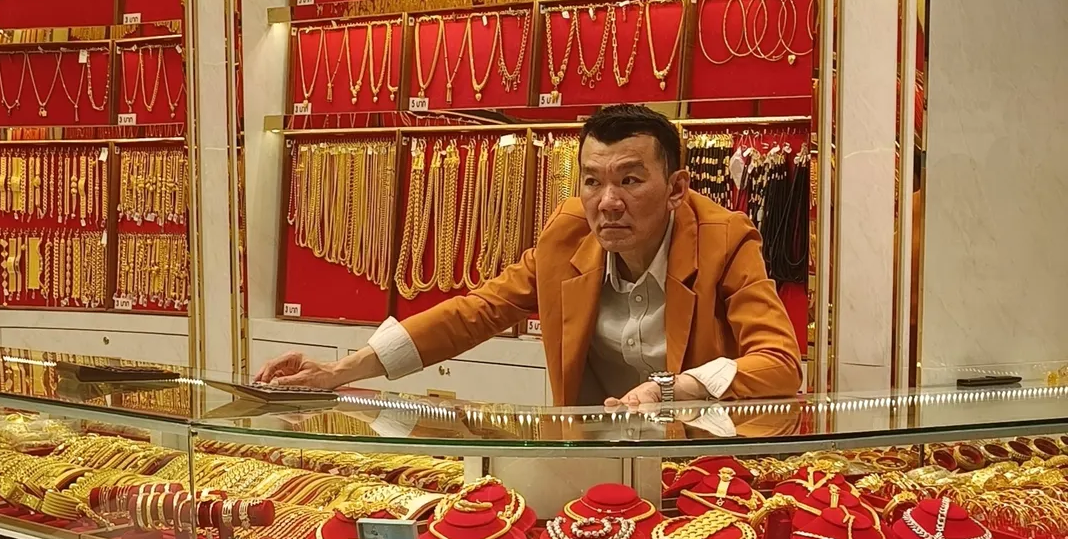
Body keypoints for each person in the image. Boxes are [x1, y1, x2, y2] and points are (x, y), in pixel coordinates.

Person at [256, 103, 803, 408]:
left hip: (708, 468)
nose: (607, 202)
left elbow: (780, 366)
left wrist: (674, 388)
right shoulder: (568, 235)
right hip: (597, 464)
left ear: (677, 188)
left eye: (631, 180)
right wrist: (341, 370)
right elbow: (477, 312)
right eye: (592, 181)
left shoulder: (725, 239)